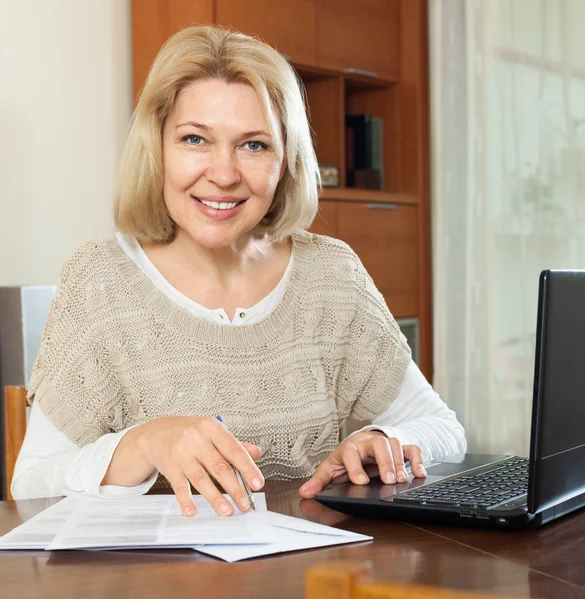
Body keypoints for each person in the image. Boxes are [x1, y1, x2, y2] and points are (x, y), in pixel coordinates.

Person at [11, 26, 466, 517]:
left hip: (313, 577)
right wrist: (144, 444)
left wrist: (383, 438)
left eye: (253, 145)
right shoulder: (100, 281)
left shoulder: (331, 275)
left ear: (285, 160)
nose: (224, 174)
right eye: (195, 139)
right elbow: (31, 484)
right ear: (157, 148)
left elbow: (443, 430)